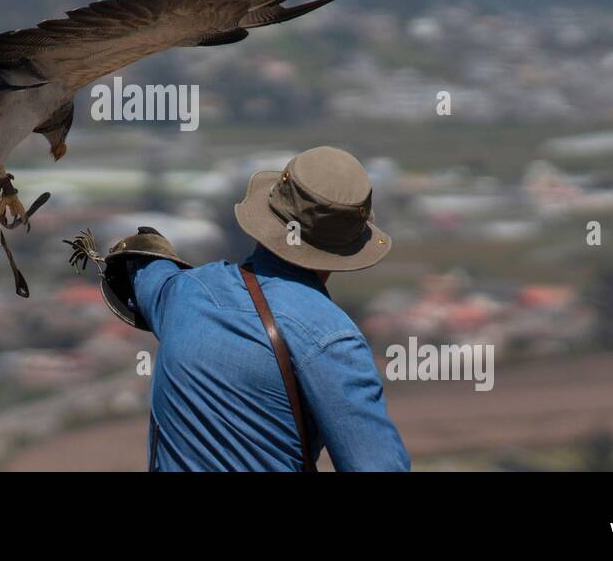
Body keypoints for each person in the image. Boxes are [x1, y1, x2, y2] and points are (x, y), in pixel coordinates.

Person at [100, 146, 409, 471]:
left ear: (270, 213)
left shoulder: (183, 295)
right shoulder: (332, 342)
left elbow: (142, 269)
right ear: (347, 241)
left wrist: (140, 252)